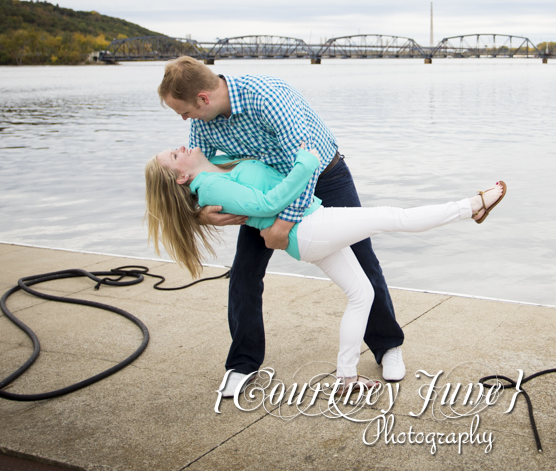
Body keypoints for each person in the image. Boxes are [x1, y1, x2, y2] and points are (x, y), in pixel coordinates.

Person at [144, 143, 506, 391]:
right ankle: (471, 206)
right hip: (311, 228)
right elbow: (268, 201)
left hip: (310, 230)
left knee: (361, 292)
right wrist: (306, 162)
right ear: (180, 177)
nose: (183, 146)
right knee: (392, 217)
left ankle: (347, 378)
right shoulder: (211, 186)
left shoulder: (215, 167)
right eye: (175, 154)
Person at [156, 56, 407, 394]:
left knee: (363, 258)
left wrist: (283, 226)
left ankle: (388, 345)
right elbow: (192, 175)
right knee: (244, 272)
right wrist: (201, 214)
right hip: (266, 190)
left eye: (183, 111)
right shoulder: (204, 120)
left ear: (203, 98)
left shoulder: (268, 96)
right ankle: (241, 364)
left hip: (323, 175)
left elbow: (306, 163)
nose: (184, 119)